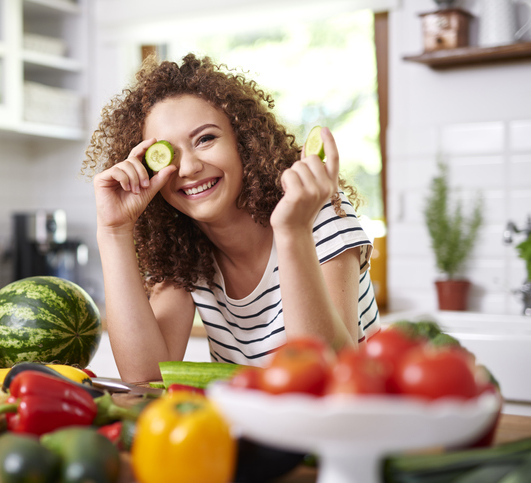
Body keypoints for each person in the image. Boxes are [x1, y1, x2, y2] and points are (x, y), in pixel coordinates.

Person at [82, 53, 380, 383]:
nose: (189, 168)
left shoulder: (317, 216)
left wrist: (292, 231)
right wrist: (114, 231)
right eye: (168, 153)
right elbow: (145, 377)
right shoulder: (185, 253)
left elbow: (328, 375)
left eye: (205, 139)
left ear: (244, 141)